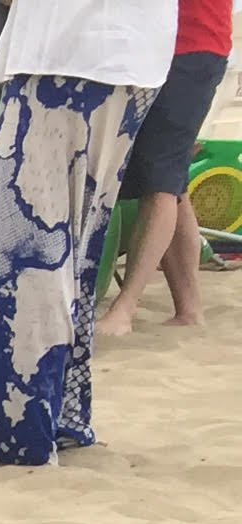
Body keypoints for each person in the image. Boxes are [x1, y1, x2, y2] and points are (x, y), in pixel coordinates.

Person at [0, 0, 174, 464]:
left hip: (70, 51)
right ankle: (51, 416)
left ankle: (17, 431)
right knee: (70, 248)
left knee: (20, 250)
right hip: (128, 53)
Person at [99, 0, 228, 334]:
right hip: (169, 48)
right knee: (172, 180)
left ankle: (125, 307)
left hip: (188, 49)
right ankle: (189, 308)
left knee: (161, 180)